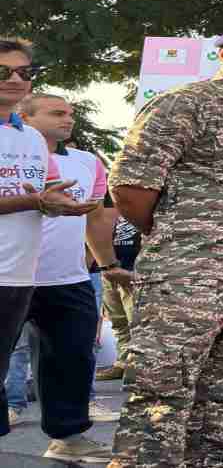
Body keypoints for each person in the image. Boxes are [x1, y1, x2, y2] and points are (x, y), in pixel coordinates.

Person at [107, 20, 223, 468]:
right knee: (160, 396)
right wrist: (185, 240)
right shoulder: (183, 106)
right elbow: (131, 188)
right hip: (189, 279)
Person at [1, 38, 99, 446]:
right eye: (3, 71)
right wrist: (34, 200)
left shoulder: (28, 140)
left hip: (21, 273)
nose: (15, 79)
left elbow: (30, 195)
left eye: (25, 72)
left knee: (69, 356)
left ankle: (68, 436)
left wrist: (52, 203)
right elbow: (25, 197)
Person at [19, 94, 129, 443]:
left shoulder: (87, 161)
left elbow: (96, 217)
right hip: (11, 277)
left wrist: (108, 264)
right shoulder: (13, 154)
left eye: (70, 113)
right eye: (56, 113)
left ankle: (68, 440)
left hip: (69, 279)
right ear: (25, 116)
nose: (67, 120)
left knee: (72, 361)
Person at [95, 205, 141, 383]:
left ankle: (137, 367)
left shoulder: (141, 199)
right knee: (118, 321)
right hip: (108, 266)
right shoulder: (104, 200)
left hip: (134, 269)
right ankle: (122, 363)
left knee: (136, 321)